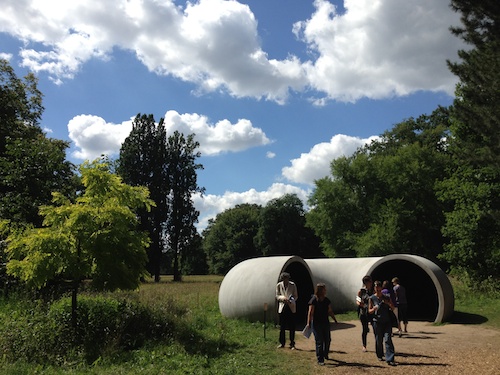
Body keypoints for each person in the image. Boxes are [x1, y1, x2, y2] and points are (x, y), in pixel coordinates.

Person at [306, 283, 338, 365]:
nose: (325, 290)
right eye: (324, 289)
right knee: (319, 341)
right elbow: (310, 312)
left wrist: (335, 319)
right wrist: (308, 322)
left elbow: (330, 311)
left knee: (327, 340)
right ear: (320, 290)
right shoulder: (314, 300)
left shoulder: (327, 300)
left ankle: (325, 354)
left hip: (325, 322)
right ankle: (320, 359)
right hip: (316, 323)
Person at [369, 280, 396, 366]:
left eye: (379, 287)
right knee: (378, 339)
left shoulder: (386, 297)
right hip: (377, 322)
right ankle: (379, 354)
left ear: (381, 288)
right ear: (374, 288)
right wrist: (374, 309)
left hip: (387, 321)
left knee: (388, 339)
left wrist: (388, 303)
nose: (377, 289)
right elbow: (369, 311)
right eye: (376, 287)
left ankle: (390, 358)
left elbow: (393, 308)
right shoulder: (372, 298)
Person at [275, 272, 298, 349]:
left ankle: (292, 343)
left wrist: (292, 300)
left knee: (292, 326)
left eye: (287, 278)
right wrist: (283, 298)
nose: (286, 280)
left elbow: (296, 295)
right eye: (284, 279)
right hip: (283, 306)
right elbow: (277, 295)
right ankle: (282, 343)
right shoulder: (279, 285)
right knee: (282, 326)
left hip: (291, 307)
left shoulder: (292, 285)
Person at [356, 275, 374, 352]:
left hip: (372, 312)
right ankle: (364, 346)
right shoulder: (361, 291)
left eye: (371, 281)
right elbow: (357, 299)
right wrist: (360, 304)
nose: (371, 283)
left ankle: (378, 345)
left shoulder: (374, 290)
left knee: (376, 329)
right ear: (365, 283)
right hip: (363, 312)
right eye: (369, 281)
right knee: (365, 329)